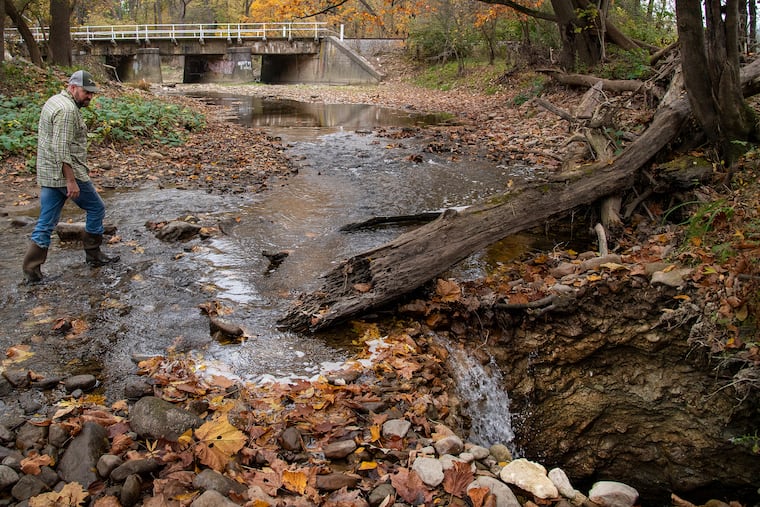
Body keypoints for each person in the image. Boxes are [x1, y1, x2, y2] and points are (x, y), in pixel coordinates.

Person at [22, 70, 119, 283]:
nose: (90, 97)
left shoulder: (55, 101)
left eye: (92, 93)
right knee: (97, 208)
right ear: (72, 87)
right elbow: (61, 147)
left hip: (49, 174)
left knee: (46, 221)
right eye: (86, 92)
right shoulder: (67, 110)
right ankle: (94, 256)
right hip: (66, 174)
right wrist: (71, 180)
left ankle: (32, 271)